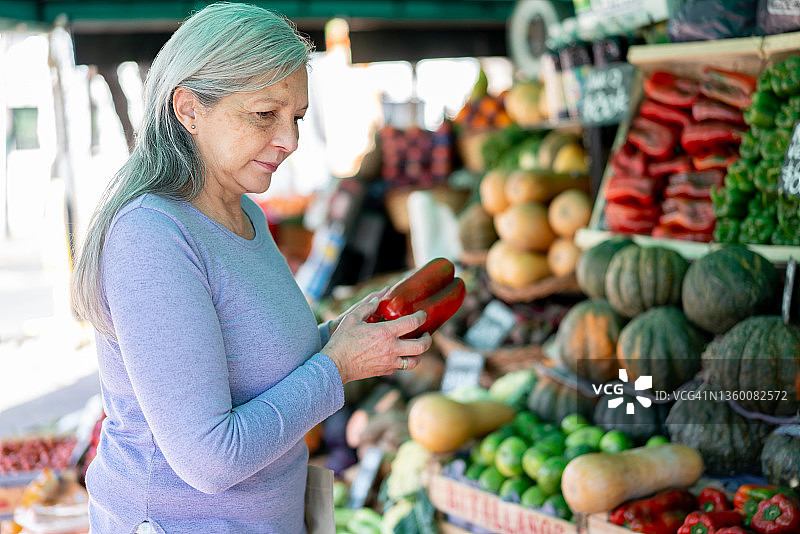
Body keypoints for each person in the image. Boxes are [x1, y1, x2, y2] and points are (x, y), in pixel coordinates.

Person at [69, 3, 432, 533]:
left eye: (297, 118)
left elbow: (255, 361)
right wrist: (338, 367)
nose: (290, 140)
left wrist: (346, 335)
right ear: (189, 109)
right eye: (265, 115)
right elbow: (210, 460)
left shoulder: (246, 214)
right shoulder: (151, 236)